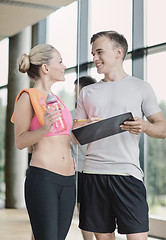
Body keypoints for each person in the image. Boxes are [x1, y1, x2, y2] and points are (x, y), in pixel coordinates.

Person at [72, 31, 166, 240]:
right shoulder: (87, 93)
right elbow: (76, 136)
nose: (95, 58)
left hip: (127, 175)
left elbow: (162, 129)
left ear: (118, 52)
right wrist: (89, 125)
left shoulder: (141, 87)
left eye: (99, 52)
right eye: (93, 53)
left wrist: (144, 126)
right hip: (93, 174)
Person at [11, 44, 76, 240]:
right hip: (44, 179)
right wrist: (44, 128)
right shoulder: (27, 97)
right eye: (60, 61)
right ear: (45, 68)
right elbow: (20, 142)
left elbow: (65, 138)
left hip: (69, 181)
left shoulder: (58, 100)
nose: (64, 66)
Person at [70, 76, 96, 240]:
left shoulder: (73, 115)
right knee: (86, 210)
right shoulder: (73, 115)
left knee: (85, 210)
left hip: (86, 170)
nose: (75, 95)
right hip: (79, 170)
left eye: (76, 91)